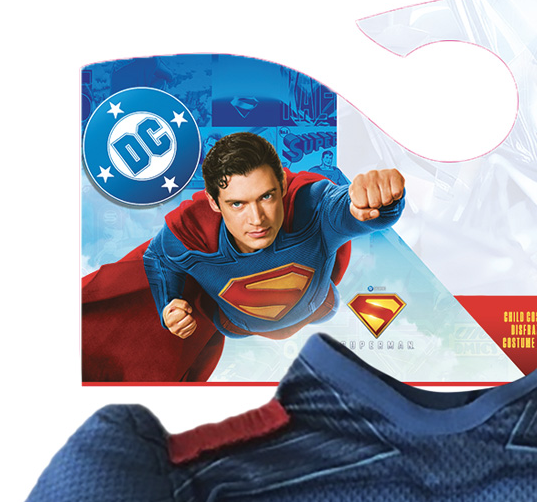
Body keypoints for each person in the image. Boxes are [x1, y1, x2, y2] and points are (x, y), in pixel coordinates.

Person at [81, 131, 405, 382]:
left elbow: (352, 210)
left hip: (318, 306)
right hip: (235, 324)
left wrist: (381, 199)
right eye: (237, 204)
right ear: (213, 203)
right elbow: (158, 258)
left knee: (325, 303)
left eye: (266, 197)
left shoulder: (310, 208)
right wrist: (169, 303)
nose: (257, 219)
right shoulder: (191, 233)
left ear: (282, 185)